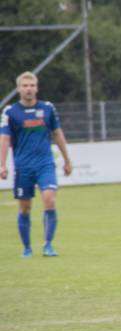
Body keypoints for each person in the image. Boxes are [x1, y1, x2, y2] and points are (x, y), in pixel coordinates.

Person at [0, 71, 73, 257]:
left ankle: (48, 245)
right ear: (18, 89)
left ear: (37, 88)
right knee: (25, 208)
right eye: (25, 86)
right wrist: (2, 164)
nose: (29, 89)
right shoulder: (10, 112)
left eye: (32, 85)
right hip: (23, 167)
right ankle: (27, 248)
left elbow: (57, 133)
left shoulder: (47, 108)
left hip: (45, 164)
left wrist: (67, 159)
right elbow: (5, 139)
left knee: (49, 199)